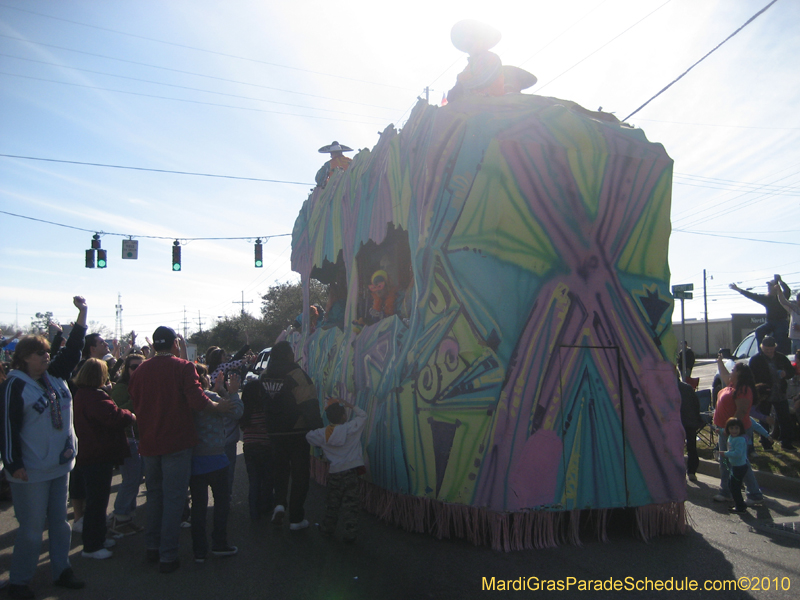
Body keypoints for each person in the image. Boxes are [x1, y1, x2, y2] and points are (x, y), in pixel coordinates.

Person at [0, 296, 88, 599]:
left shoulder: (54, 375)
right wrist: (13, 464)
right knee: (30, 529)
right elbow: (7, 428)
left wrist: (82, 315)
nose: (46, 358)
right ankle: (20, 581)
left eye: (47, 353)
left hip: (59, 465)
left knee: (60, 525)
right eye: (40, 354)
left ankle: (61, 569)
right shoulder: (15, 384)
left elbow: (74, 349)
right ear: (24, 357)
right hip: (31, 470)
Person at [128, 326, 230, 574]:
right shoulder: (183, 367)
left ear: (153, 345)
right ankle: (168, 555)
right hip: (176, 443)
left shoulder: (140, 370)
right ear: (175, 343)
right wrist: (219, 407)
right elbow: (197, 401)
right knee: (174, 499)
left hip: (150, 443)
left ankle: (153, 548)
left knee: (154, 496)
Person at [72, 358, 135, 559]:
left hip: (92, 453)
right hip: (96, 454)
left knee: (98, 501)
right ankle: (91, 546)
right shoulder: (94, 397)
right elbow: (115, 417)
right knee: (96, 502)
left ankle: (98, 538)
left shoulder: (84, 394)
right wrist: (130, 415)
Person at [260, 341, 323, 530]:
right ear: (289, 355)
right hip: (296, 432)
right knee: (299, 474)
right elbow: (309, 404)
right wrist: (319, 432)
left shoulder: (264, 375)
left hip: (273, 432)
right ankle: (296, 518)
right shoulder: (296, 374)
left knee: (279, 470)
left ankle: (279, 503)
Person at [190, 365, 242, 563]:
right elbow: (236, 412)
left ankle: (199, 550)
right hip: (217, 459)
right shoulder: (211, 397)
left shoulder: (186, 400)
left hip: (195, 460)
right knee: (221, 503)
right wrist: (232, 393)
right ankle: (219, 543)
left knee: (198, 506)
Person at [306, 399, 366, 542]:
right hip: (350, 473)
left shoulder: (322, 434)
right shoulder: (351, 428)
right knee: (351, 506)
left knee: (332, 504)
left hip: (334, 473)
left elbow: (309, 436)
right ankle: (350, 534)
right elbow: (363, 416)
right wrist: (351, 405)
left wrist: (322, 444)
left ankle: (327, 530)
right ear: (344, 417)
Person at [712, 362, 764, 505]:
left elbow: (741, 412)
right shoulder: (731, 386)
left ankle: (754, 494)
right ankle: (726, 492)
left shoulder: (743, 389)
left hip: (736, 432)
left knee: (740, 462)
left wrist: (731, 430)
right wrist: (719, 361)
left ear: (740, 373)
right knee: (725, 462)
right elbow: (724, 374)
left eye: (733, 370)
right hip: (724, 430)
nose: (731, 371)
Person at [108, 352, 146, 536]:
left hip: (144, 437)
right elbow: (120, 410)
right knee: (131, 479)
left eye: (141, 366)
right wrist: (138, 394)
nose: (138, 370)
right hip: (127, 438)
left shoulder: (148, 384)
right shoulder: (122, 387)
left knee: (137, 478)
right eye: (134, 367)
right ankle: (119, 515)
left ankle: (127, 517)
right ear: (126, 369)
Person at [749, 336, 797, 451]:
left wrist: (786, 373)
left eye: (771, 350)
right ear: (762, 348)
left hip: (780, 392)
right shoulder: (756, 360)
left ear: (775, 347)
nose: (769, 352)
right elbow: (751, 377)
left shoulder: (781, 357)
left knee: (785, 419)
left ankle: (786, 443)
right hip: (764, 394)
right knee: (764, 419)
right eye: (767, 350)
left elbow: (791, 371)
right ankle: (766, 443)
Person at [240, 376, 275, 521]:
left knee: (253, 481)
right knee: (267, 479)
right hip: (265, 447)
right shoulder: (265, 410)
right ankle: (265, 506)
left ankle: (253, 511)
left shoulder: (245, 411)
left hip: (249, 448)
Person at [729, 277, 791, 348]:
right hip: (770, 322)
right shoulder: (766, 298)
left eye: (770, 286)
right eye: (768, 286)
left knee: (779, 334)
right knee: (759, 331)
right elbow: (752, 296)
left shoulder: (783, 296)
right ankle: (762, 351)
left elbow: (787, 290)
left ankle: (779, 351)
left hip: (781, 322)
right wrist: (738, 289)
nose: (769, 288)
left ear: (776, 287)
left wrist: (780, 281)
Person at [718, 418, 750, 513]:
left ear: (741, 429)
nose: (734, 430)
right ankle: (740, 504)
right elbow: (724, 431)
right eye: (731, 428)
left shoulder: (740, 440)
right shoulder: (731, 437)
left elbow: (738, 453)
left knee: (735, 487)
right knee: (732, 485)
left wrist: (725, 454)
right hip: (735, 466)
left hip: (740, 467)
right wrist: (719, 431)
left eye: (736, 428)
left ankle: (740, 506)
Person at [678, 375, 703, 482]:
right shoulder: (687, 388)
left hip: (677, 422)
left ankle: (678, 471)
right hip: (690, 421)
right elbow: (696, 404)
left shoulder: (668, 388)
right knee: (691, 447)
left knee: (677, 448)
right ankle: (692, 471)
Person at [777, 285, 800, 353]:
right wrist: (779, 290)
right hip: (794, 339)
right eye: (798, 299)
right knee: (795, 360)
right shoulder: (794, 308)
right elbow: (783, 301)